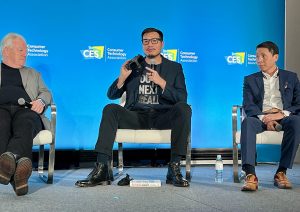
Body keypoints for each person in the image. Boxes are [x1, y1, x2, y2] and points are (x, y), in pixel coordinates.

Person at [75, 27, 191, 188]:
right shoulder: (134, 66)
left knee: (184, 108)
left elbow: (182, 98)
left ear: (162, 44)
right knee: (110, 108)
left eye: (154, 41)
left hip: (163, 117)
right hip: (137, 116)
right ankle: (101, 168)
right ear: (142, 44)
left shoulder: (174, 67)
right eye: (146, 41)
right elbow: (111, 94)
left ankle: (174, 168)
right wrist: (122, 78)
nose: (150, 44)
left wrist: (161, 82)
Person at [240, 41, 300, 191]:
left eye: (263, 56)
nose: (259, 60)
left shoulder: (291, 77)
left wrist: (280, 114)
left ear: (275, 57)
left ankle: (281, 172)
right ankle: (250, 175)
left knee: (296, 121)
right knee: (247, 123)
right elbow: (248, 104)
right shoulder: (250, 79)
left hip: (283, 116)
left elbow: (298, 104)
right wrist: (265, 118)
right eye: (257, 56)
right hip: (260, 117)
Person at [0, 33, 52, 196]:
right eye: (21, 50)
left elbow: (46, 93)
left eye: (26, 51)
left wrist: (41, 102)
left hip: (27, 111)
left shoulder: (33, 73)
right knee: (1, 122)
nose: (25, 54)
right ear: (6, 51)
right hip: (1, 109)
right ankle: (18, 177)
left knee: (26, 122)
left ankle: (9, 164)